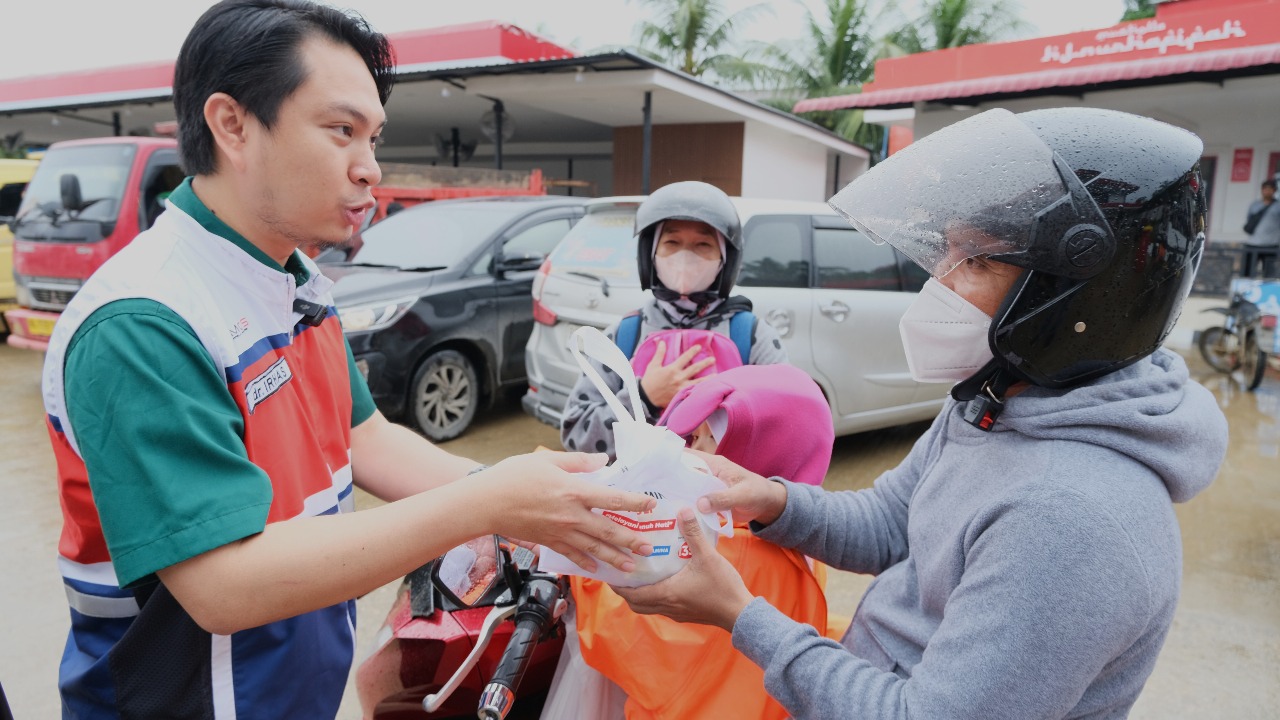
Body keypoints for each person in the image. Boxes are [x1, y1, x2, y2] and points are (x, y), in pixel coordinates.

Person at [42, 2, 653, 717]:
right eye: (341, 131)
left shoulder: (294, 280)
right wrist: (486, 503)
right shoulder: (144, 323)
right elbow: (224, 586)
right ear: (232, 125)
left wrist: (528, 498)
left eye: (373, 136)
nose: (371, 169)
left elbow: (365, 439)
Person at [613, 107, 1230, 719]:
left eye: (978, 262)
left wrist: (738, 614)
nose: (939, 282)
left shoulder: (1070, 519)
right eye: (947, 255)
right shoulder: (996, 399)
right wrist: (770, 499)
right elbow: (891, 522)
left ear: (1078, 298)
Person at [567, 364, 831, 720]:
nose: (691, 452)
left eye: (706, 441)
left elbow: (629, 638)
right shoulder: (800, 540)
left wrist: (578, 566)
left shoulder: (715, 550)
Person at [560, 181, 788, 458]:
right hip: (640, 499)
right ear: (651, 254)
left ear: (725, 260)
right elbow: (575, 435)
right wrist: (644, 397)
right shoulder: (624, 336)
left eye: (703, 244)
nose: (686, 256)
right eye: (672, 242)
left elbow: (785, 434)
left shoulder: (752, 337)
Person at [1242, 179, 1279, 278]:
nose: (1267, 191)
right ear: (1262, 190)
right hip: (1253, 243)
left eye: (1270, 189)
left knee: (1269, 274)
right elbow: (1249, 220)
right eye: (1265, 189)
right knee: (1247, 272)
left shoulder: (1278, 206)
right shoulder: (1255, 205)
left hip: (1271, 245)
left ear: (1274, 191)